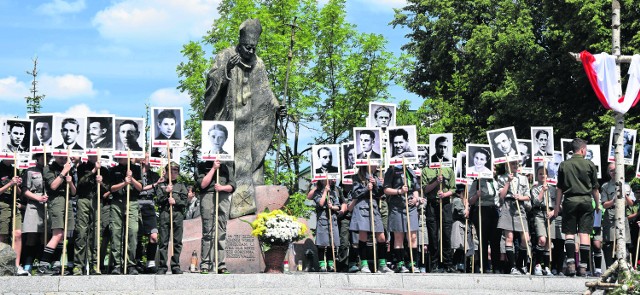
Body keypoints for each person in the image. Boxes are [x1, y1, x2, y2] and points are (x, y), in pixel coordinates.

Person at [203, 18, 282, 217]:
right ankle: (233, 204)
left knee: (251, 160)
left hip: (251, 122)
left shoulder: (259, 63)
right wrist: (226, 69)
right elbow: (212, 81)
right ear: (240, 43)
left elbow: (266, 92)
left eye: (254, 48)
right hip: (229, 120)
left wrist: (277, 107)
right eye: (247, 47)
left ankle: (248, 206)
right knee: (231, 160)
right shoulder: (225, 56)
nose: (251, 52)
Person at [553, 138, 600, 277]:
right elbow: (595, 188)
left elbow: (559, 188)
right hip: (586, 201)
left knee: (569, 233)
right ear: (583, 150)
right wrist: (597, 204)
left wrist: (557, 207)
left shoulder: (564, 165)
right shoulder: (590, 164)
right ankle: (583, 267)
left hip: (570, 201)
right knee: (584, 233)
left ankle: (571, 264)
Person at [347, 166, 392, 273]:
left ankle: (382, 264)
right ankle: (364, 264)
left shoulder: (376, 176)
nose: (376, 165)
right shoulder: (356, 177)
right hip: (361, 206)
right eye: (374, 163)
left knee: (381, 236)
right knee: (363, 236)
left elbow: (381, 193)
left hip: (374, 206)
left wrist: (377, 184)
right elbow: (355, 193)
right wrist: (367, 188)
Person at [38, 155, 76, 275]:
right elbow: (53, 186)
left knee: (63, 235)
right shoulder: (48, 168)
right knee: (57, 233)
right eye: (60, 158)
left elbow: (74, 192)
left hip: (67, 200)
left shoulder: (71, 169)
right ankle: (43, 264)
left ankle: (56, 263)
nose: (63, 160)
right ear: (55, 156)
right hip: (56, 200)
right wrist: (64, 172)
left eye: (65, 158)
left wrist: (70, 183)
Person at [73, 153, 110, 275]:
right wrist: (94, 170)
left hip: (97, 200)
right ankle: (79, 265)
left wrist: (101, 183)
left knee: (95, 232)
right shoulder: (82, 167)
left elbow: (107, 189)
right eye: (91, 154)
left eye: (95, 154)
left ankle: (95, 264)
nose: (93, 156)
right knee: (81, 232)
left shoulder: (104, 170)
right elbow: (80, 183)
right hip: (83, 199)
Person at [197, 159, 235, 274]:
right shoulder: (202, 165)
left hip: (223, 197)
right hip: (208, 196)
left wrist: (222, 188)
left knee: (221, 232)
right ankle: (205, 264)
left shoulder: (227, 166)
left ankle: (221, 265)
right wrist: (213, 168)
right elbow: (202, 184)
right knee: (208, 232)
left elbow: (233, 186)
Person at [385, 164, 423, 273]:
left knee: (413, 236)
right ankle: (400, 263)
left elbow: (415, 188)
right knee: (399, 236)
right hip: (397, 206)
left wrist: (416, 198)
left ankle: (412, 263)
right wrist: (399, 191)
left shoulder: (410, 170)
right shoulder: (391, 170)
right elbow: (386, 189)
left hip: (410, 208)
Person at [108, 156, 143, 275]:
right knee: (116, 233)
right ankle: (117, 264)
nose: (119, 158)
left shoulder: (136, 169)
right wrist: (124, 183)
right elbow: (111, 188)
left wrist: (132, 179)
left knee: (132, 231)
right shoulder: (113, 170)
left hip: (132, 202)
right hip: (117, 202)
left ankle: (130, 264)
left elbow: (140, 187)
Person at [153, 162, 188, 274]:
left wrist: (176, 201)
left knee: (177, 241)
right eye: (171, 171)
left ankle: (175, 265)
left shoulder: (181, 185)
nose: (173, 173)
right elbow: (158, 200)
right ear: (167, 172)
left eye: (176, 171)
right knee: (163, 241)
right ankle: (162, 266)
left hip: (177, 215)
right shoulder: (161, 185)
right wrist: (166, 193)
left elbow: (185, 201)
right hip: (165, 214)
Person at [497, 160, 531, 275]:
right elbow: (501, 196)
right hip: (507, 206)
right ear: (507, 165)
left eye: (517, 164)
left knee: (525, 238)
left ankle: (521, 264)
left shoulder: (523, 178)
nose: (515, 166)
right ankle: (512, 267)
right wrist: (508, 182)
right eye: (513, 164)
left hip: (519, 207)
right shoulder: (501, 178)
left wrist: (520, 197)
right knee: (509, 237)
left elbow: (528, 196)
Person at [599, 162, 633, 269]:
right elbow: (604, 204)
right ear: (608, 172)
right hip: (610, 215)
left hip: (622, 215)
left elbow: (631, 203)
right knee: (609, 243)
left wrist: (625, 194)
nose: (614, 172)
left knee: (624, 242)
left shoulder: (626, 185)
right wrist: (613, 201)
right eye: (611, 170)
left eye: (615, 169)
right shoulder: (605, 186)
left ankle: (623, 268)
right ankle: (610, 268)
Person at [423, 163, 455, 272]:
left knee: (446, 234)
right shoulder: (426, 170)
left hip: (445, 204)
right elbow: (425, 189)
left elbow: (453, 188)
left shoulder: (448, 169)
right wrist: (436, 182)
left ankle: (448, 264)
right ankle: (434, 264)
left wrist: (445, 194)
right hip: (432, 204)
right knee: (433, 235)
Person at [20, 153, 48, 275]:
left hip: (47, 206)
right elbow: (24, 190)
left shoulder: (51, 170)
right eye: (43, 156)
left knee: (45, 237)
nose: (46, 159)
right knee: (31, 235)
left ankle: (43, 264)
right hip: (33, 205)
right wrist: (37, 198)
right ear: (37, 157)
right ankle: (28, 264)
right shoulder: (30, 171)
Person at [468, 177, 501, 273]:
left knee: (495, 240)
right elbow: (470, 201)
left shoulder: (495, 181)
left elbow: (499, 198)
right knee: (483, 239)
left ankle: (496, 267)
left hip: (494, 210)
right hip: (481, 209)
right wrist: (477, 195)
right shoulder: (477, 182)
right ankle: (485, 266)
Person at [0, 158, 26, 275]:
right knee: (3, 236)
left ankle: (16, 265)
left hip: (13, 204)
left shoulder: (15, 170)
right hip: (2, 204)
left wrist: (18, 185)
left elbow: (20, 193)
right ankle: (3, 265)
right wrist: (10, 183)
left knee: (18, 234)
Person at [135, 155, 160, 274]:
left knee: (154, 236)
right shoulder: (135, 172)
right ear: (143, 160)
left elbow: (157, 190)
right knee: (137, 236)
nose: (151, 160)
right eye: (148, 158)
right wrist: (154, 185)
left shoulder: (155, 176)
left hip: (149, 205)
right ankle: (138, 261)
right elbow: (138, 189)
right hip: (137, 204)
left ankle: (150, 262)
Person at [313, 179, 345, 272]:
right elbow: (320, 203)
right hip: (322, 220)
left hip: (332, 220)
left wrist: (332, 207)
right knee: (322, 244)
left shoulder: (334, 192)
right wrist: (325, 192)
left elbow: (338, 206)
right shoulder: (317, 192)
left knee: (332, 244)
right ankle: (322, 264)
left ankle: (331, 264)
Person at [530, 165, 556, 276]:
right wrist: (542, 191)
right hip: (539, 213)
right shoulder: (534, 188)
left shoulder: (553, 189)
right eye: (540, 174)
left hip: (550, 214)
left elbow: (557, 203)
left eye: (544, 173)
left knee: (548, 243)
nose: (542, 176)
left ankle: (546, 266)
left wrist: (553, 211)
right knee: (542, 240)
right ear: (537, 175)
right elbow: (535, 202)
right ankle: (537, 264)